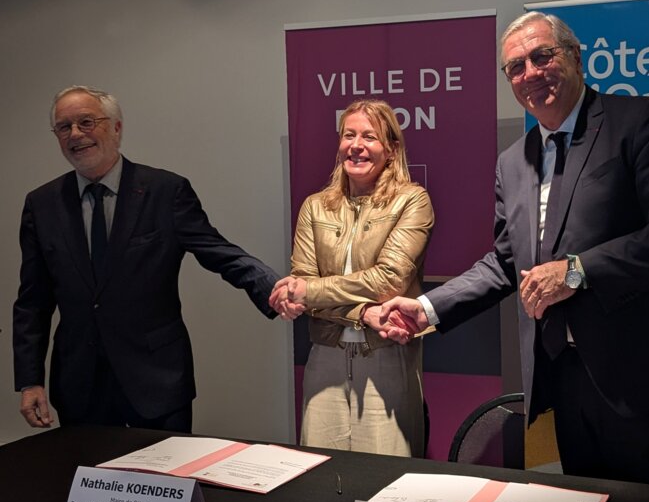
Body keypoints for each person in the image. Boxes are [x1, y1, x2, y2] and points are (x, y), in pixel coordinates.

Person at [380, 12, 649, 489]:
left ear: (575, 57)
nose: (530, 73)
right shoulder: (513, 161)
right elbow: (506, 262)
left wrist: (577, 271)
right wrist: (427, 308)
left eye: (542, 56)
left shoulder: (640, 121)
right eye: (515, 67)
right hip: (568, 382)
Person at [13, 85, 281, 432]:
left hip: (157, 379)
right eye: (64, 127)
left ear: (116, 128)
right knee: (87, 469)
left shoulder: (165, 191)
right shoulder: (42, 204)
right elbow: (32, 301)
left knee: (166, 469)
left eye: (86, 122)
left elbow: (218, 251)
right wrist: (30, 381)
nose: (75, 134)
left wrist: (274, 287)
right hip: (80, 384)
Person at [270, 99, 433, 457]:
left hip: (386, 356)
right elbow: (303, 286)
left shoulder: (412, 201)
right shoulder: (314, 206)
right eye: (349, 135)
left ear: (391, 150)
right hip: (325, 357)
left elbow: (389, 280)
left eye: (369, 137)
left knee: (386, 475)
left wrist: (309, 291)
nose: (356, 145)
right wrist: (362, 313)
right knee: (320, 470)